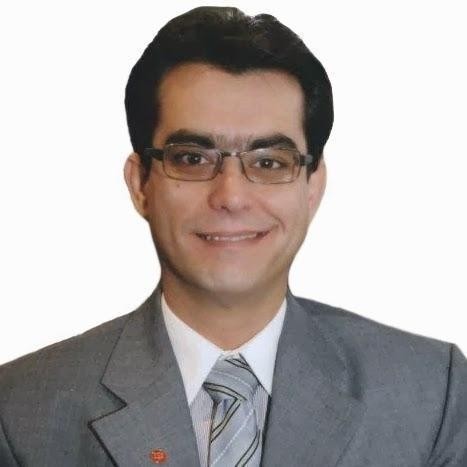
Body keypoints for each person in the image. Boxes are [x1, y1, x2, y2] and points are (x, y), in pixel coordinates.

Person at [1, 5, 466, 466]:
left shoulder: (431, 396)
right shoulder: (20, 411)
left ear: (313, 187)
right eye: (192, 159)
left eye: (268, 162)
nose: (231, 196)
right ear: (140, 183)